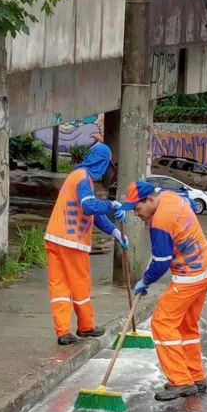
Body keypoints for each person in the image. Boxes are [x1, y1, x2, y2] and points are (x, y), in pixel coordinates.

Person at [117, 181, 207, 401]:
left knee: (162, 323)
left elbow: (162, 261)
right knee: (186, 325)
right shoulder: (171, 197)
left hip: (190, 275)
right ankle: (195, 376)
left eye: (137, 208)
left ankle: (180, 381)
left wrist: (145, 280)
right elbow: (190, 203)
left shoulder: (160, 222)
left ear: (150, 200)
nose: (136, 213)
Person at [44, 143, 128, 346]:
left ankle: (63, 332)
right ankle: (86, 326)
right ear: (101, 163)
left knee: (60, 287)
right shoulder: (83, 178)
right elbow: (89, 207)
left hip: (54, 238)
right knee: (80, 284)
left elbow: (95, 214)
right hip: (72, 241)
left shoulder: (77, 176)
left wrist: (114, 231)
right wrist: (112, 204)